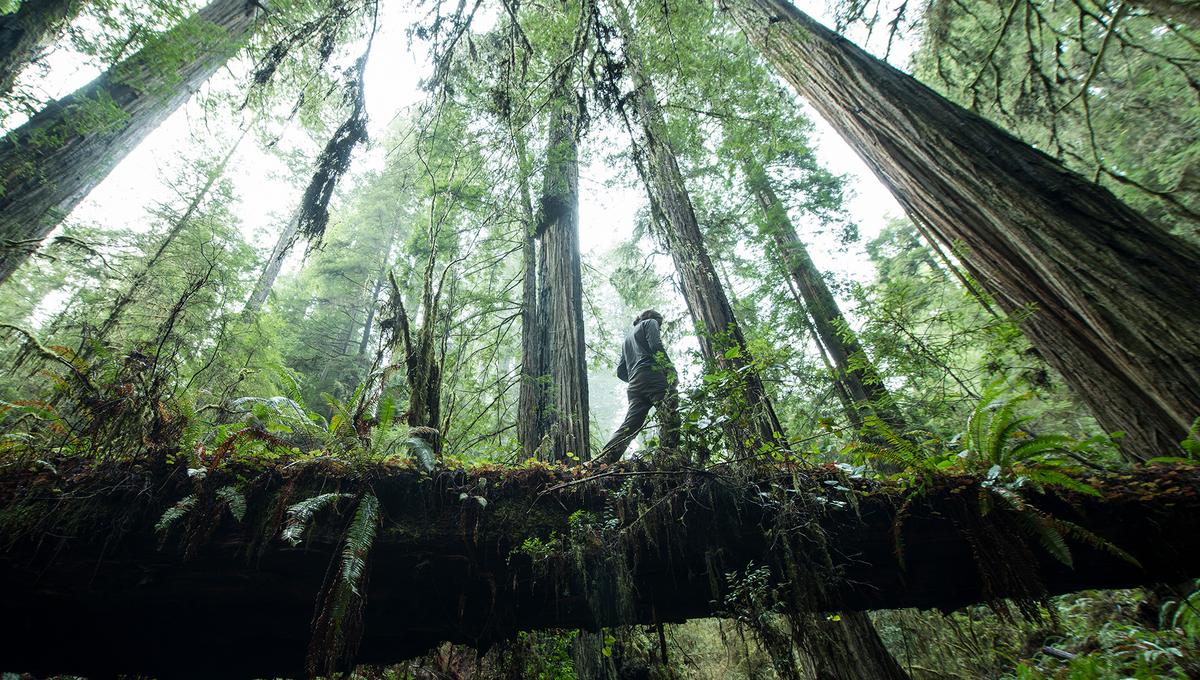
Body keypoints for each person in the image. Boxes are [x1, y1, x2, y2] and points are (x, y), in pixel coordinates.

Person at [595, 309, 679, 464]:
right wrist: (670, 368)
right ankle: (669, 461)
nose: (658, 329)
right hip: (653, 377)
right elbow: (656, 345)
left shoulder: (627, 339)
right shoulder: (650, 322)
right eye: (659, 327)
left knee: (629, 426)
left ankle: (602, 462)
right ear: (654, 319)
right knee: (670, 416)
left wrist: (637, 378)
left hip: (635, 385)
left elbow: (621, 371)